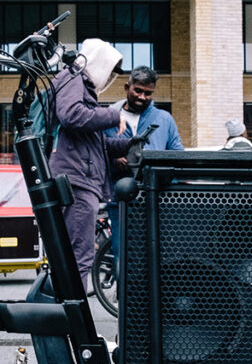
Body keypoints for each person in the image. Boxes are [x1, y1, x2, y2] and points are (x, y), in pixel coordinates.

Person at [49, 38, 132, 288]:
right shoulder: (74, 77)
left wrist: (131, 143)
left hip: (78, 178)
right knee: (79, 256)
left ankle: (67, 320)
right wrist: (113, 115)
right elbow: (72, 115)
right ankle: (74, 324)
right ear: (98, 62)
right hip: (77, 181)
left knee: (73, 256)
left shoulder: (78, 84)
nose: (109, 78)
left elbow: (96, 145)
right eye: (109, 70)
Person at [104, 66, 184, 265]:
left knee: (159, 256)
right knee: (122, 255)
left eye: (148, 93)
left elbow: (178, 156)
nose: (142, 97)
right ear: (126, 87)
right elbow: (97, 152)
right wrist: (113, 160)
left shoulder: (164, 119)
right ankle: (124, 297)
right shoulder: (108, 116)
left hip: (157, 200)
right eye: (137, 91)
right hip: (121, 200)